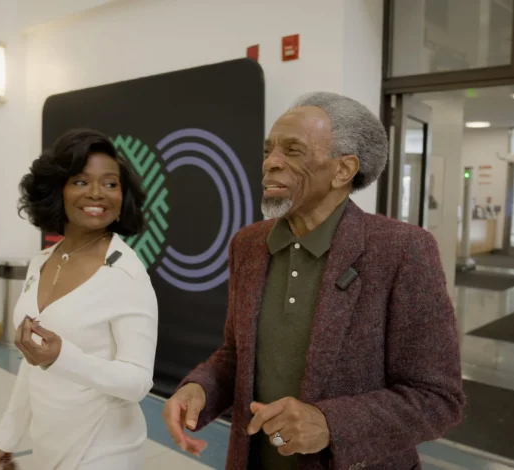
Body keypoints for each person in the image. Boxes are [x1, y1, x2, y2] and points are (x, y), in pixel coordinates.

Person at [162, 92, 465, 470]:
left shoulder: (402, 250)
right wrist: (199, 388)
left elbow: (437, 397)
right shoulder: (249, 245)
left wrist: (329, 423)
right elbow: (236, 355)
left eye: (292, 151)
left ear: (343, 170)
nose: (270, 164)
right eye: (268, 150)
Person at [0, 129, 159, 470]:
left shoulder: (127, 275)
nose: (97, 193)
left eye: (110, 184)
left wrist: (63, 356)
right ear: (57, 190)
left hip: (104, 449)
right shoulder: (42, 261)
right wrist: (7, 438)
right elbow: (32, 363)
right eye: (81, 181)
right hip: (50, 443)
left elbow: (137, 382)